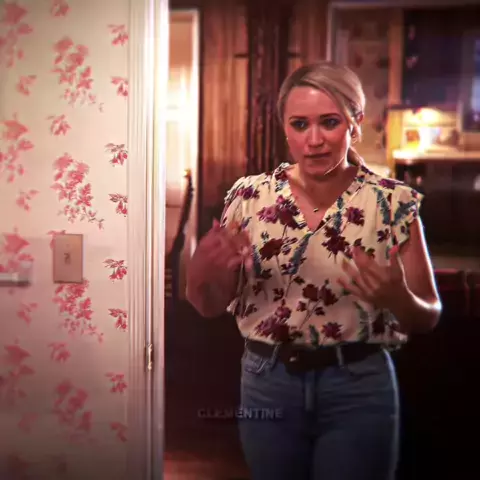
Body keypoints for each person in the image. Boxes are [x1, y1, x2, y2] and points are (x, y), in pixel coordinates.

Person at [186, 61, 441, 480]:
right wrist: (200, 273)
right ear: (285, 128)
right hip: (268, 382)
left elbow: (429, 315)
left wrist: (399, 298)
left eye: (329, 122)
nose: (314, 139)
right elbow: (208, 305)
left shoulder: (393, 204)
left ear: (355, 122)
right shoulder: (249, 197)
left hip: (359, 386)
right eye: (300, 124)